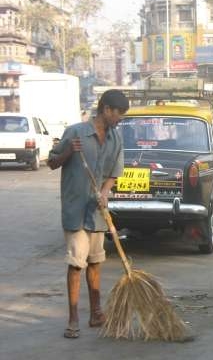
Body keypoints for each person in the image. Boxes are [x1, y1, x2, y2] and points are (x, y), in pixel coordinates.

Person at [47, 89, 129, 339]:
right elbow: (52, 162)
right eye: (119, 114)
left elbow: (115, 171)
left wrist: (105, 191)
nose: (120, 119)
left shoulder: (116, 139)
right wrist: (68, 152)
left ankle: (96, 312)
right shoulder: (75, 132)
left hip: (96, 211)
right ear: (106, 110)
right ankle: (73, 318)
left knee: (96, 261)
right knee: (76, 264)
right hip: (75, 210)